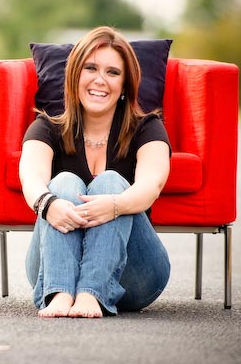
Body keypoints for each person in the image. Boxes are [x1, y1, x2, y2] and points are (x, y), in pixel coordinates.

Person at [19, 26, 171, 318]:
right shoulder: (47, 127)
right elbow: (31, 175)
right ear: (75, 74)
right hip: (50, 272)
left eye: (113, 72)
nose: (100, 80)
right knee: (62, 183)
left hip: (135, 276)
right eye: (91, 68)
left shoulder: (148, 128)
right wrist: (47, 204)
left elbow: (152, 184)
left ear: (125, 84)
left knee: (111, 182)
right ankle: (61, 294)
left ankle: (91, 293)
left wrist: (115, 205)